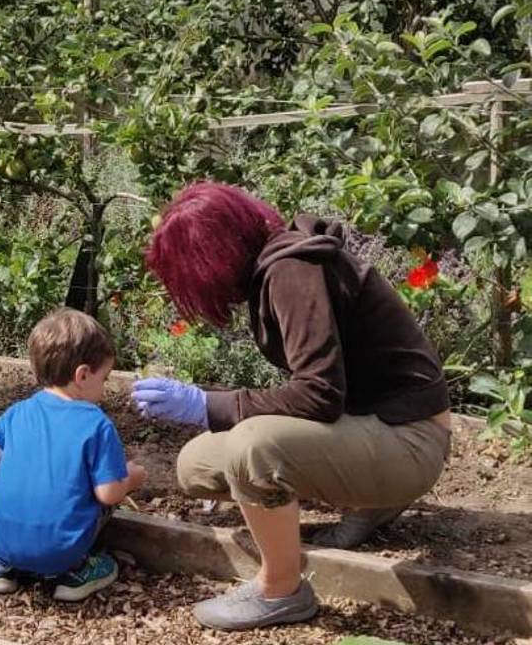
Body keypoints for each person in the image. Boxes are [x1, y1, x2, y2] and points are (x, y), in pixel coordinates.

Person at [131, 182, 451, 631]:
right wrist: (210, 409)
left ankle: (281, 589)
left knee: (252, 448)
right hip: (370, 425)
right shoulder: (277, 267)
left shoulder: (291, 271)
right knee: (197, 465)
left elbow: (318, 394)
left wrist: (207, 403)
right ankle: (369, 503)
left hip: (412, 438)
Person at [0, 308, 147, 601]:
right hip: (59, 549)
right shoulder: (96, 423)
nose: (104, 388)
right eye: (104, 379)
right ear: (82, 375)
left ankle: (2, 569)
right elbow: (109, 493)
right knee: (102, 489)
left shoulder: (17, 412)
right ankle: (75, 571)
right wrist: (132, 477)